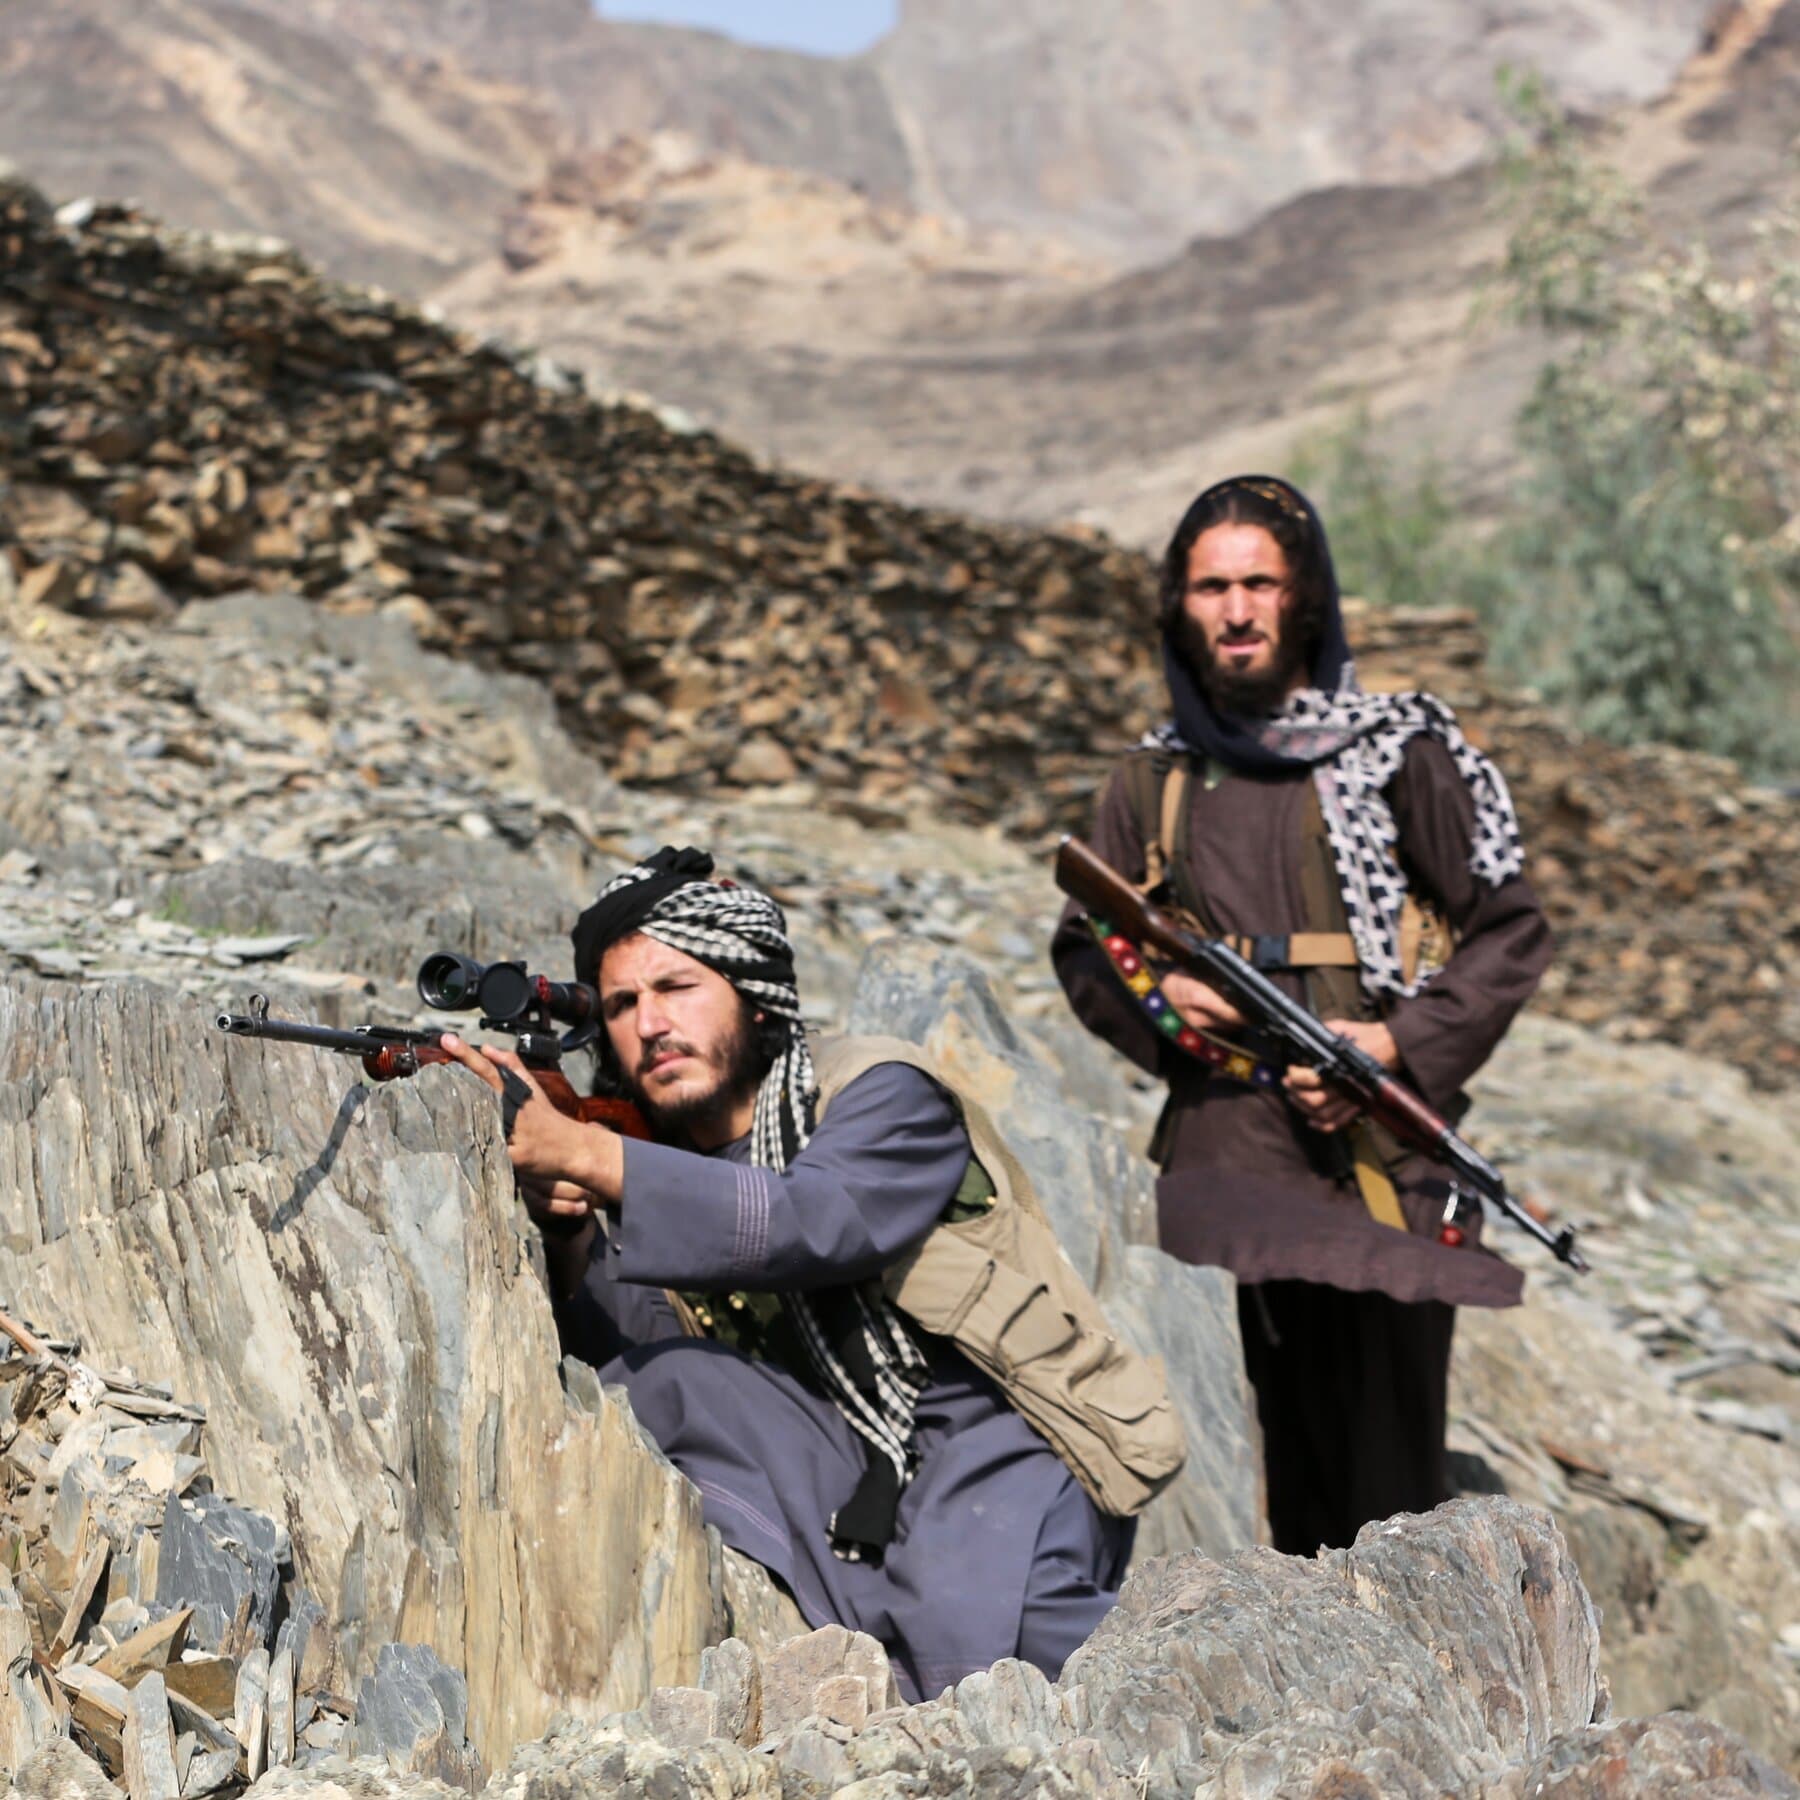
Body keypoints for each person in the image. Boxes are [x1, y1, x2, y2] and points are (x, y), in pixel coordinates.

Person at [441, 846, 1173, 1701]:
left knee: (984, 1647)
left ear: (754, 996)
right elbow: (652, 1353)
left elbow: (816, 1221)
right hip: (839, 1457)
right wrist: (568, 1234)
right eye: (621, 1005)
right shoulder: (660, 1156)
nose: (647, 1025)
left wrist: (590, 1156)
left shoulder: (880, 1091)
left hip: (998, 1431)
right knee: (663, 1382)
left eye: (677, 988)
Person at [1052, 474, 1553, 1558]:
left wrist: (1395, 1045)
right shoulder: (1151, 780)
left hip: (1380, 1162)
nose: (1236, 610)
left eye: (1260, 584)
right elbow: (1087, 950)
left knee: (1388, 1499)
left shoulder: (1403, 751)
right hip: (1222, 1164)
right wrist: (1166, 1002)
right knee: (1229, 1484)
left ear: (1304, 598)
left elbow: (1509, 932)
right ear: (1179, 607)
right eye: (1211, 586)